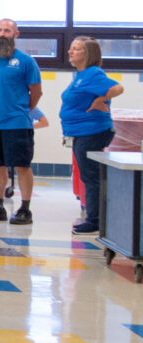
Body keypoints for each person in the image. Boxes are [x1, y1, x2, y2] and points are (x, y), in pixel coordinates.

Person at [0, 17, 43, 224]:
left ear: (16, 35)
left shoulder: (26, 61)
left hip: (18, 124)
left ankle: (25, 209)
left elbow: (36, 92)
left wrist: (22, 110)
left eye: (7, 31)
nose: (3, 34)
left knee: (22, 166)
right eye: (0, 30)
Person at [63, 35, 122, 236]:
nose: (71, 52)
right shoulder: (80, 75)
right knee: (89, 177)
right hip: (82, 132)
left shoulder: (93, 74)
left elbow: (118, 88)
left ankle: (94, 220)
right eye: (71, 48)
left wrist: (101, 99)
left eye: (77, 49)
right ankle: (94, 217)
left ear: (89, 54)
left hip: (92, 131)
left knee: (91, 177)